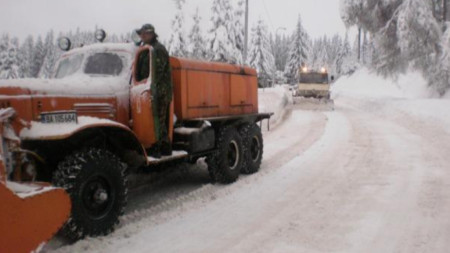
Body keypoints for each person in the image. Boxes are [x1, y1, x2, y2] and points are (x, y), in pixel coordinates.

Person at [136, 24, 173, 158]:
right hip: (151, 89)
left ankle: (160, 147)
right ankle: (161, 145)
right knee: (154, 119)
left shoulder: (158, 49)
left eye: (145, 34)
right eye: (141, 34)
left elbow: (157, 72)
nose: (142, 36)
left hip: (160, 91)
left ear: (151, 34)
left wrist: (150, 87)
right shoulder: (146, 49)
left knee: (158, 120)